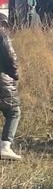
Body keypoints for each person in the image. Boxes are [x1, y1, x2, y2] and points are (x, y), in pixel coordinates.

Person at [0, 13, 22, 161]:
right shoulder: (2, 37)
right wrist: (15, 75)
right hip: (2, 82)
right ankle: (5, 146)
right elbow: (11, 57)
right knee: (14, 111)